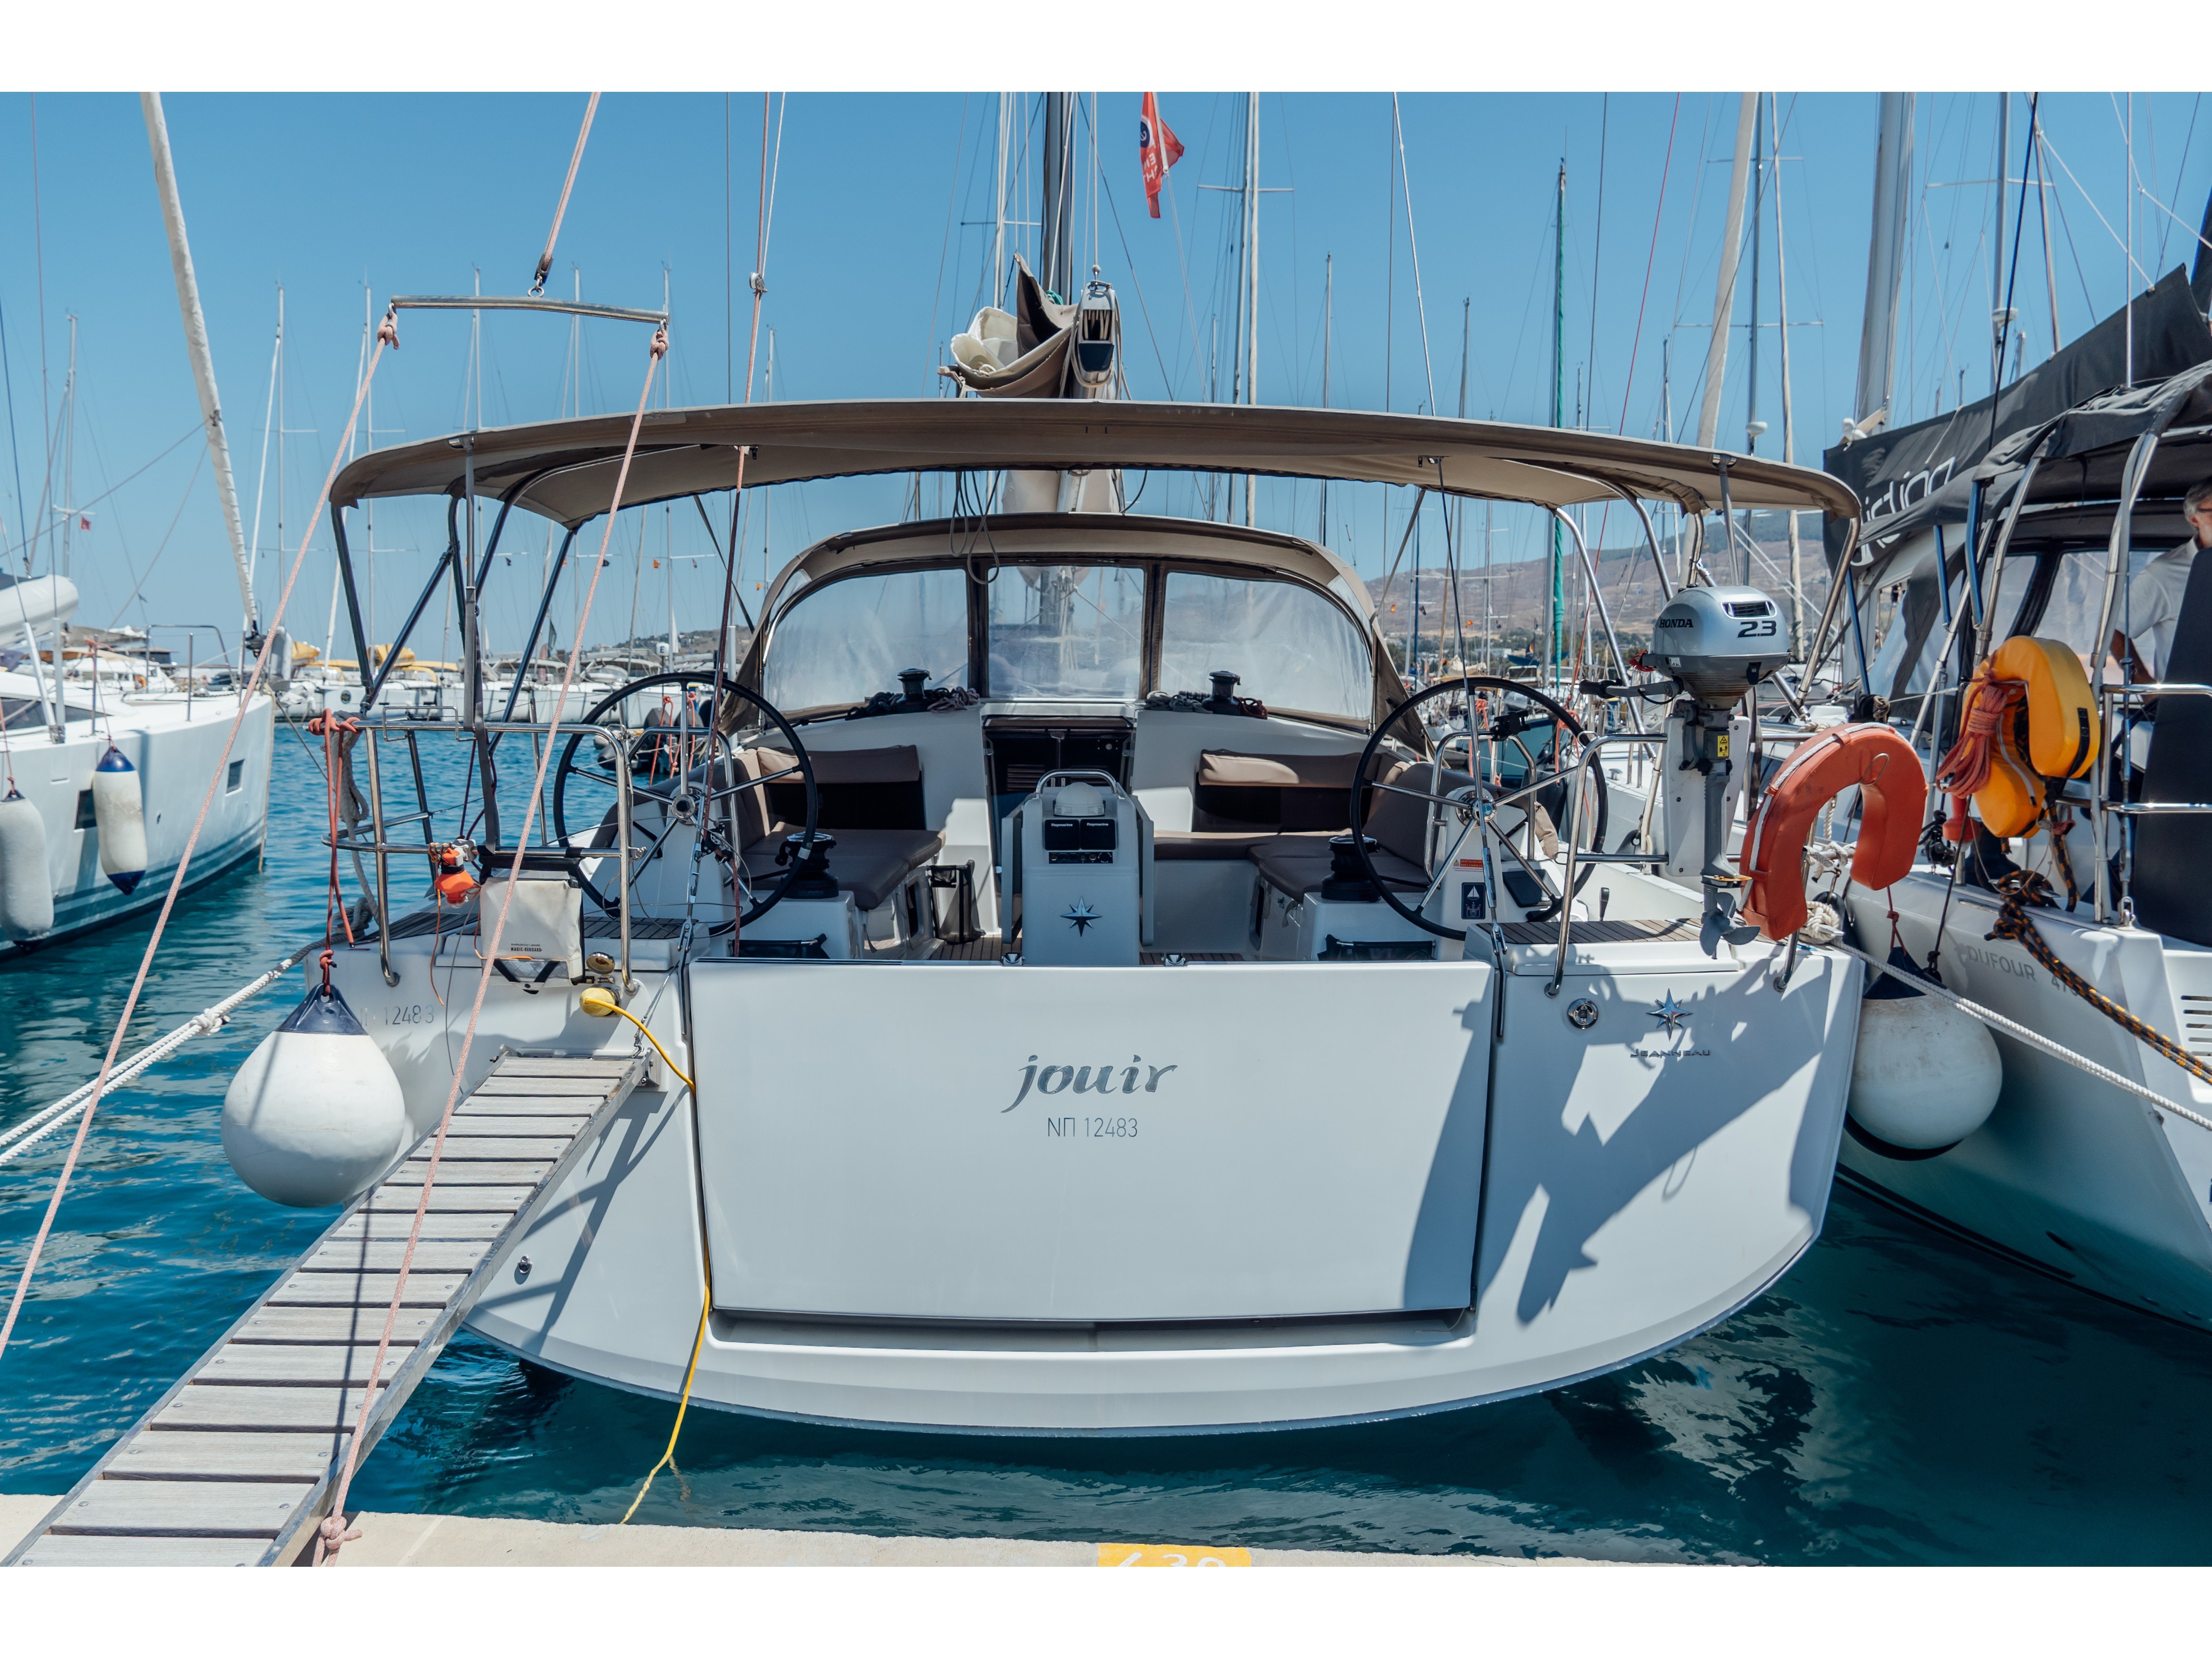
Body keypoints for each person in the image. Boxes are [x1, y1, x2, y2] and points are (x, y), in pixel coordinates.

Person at [2114, 478, 2212, 682]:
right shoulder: (2164, 573)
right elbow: (2115, 631)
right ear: (2194, 519)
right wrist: (2145, 685)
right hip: (2193, 706)